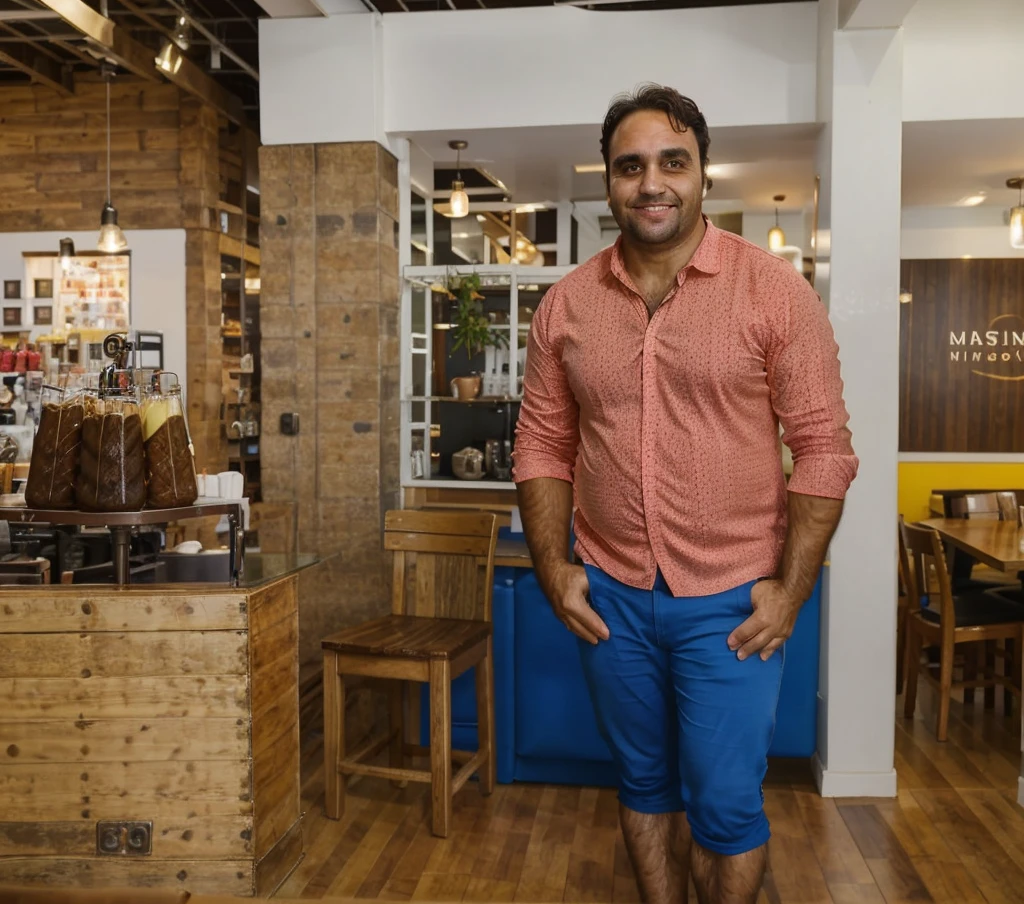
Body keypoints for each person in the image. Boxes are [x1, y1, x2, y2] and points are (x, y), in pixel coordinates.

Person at [512, 84, 858, 904]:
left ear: (704, 173)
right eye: (630, 167)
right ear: (608, 183)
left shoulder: (774, 293)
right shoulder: (566, 305)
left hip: (733, 600)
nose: (652, 182)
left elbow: (825, 452)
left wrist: (790, 591)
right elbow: (542, 444)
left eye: (674, 161)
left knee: (727, 807)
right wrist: (554, 567)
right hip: (613, 593)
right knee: (641, 786)